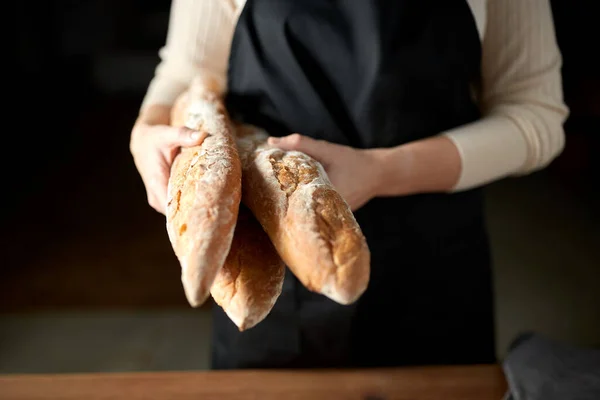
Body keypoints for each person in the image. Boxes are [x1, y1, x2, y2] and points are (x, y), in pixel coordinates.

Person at [130, 0, 568, 369]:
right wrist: (146, 132)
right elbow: (188, 74)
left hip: (432, 264)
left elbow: (535, 115)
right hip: (267, 269)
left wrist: (382, 170)